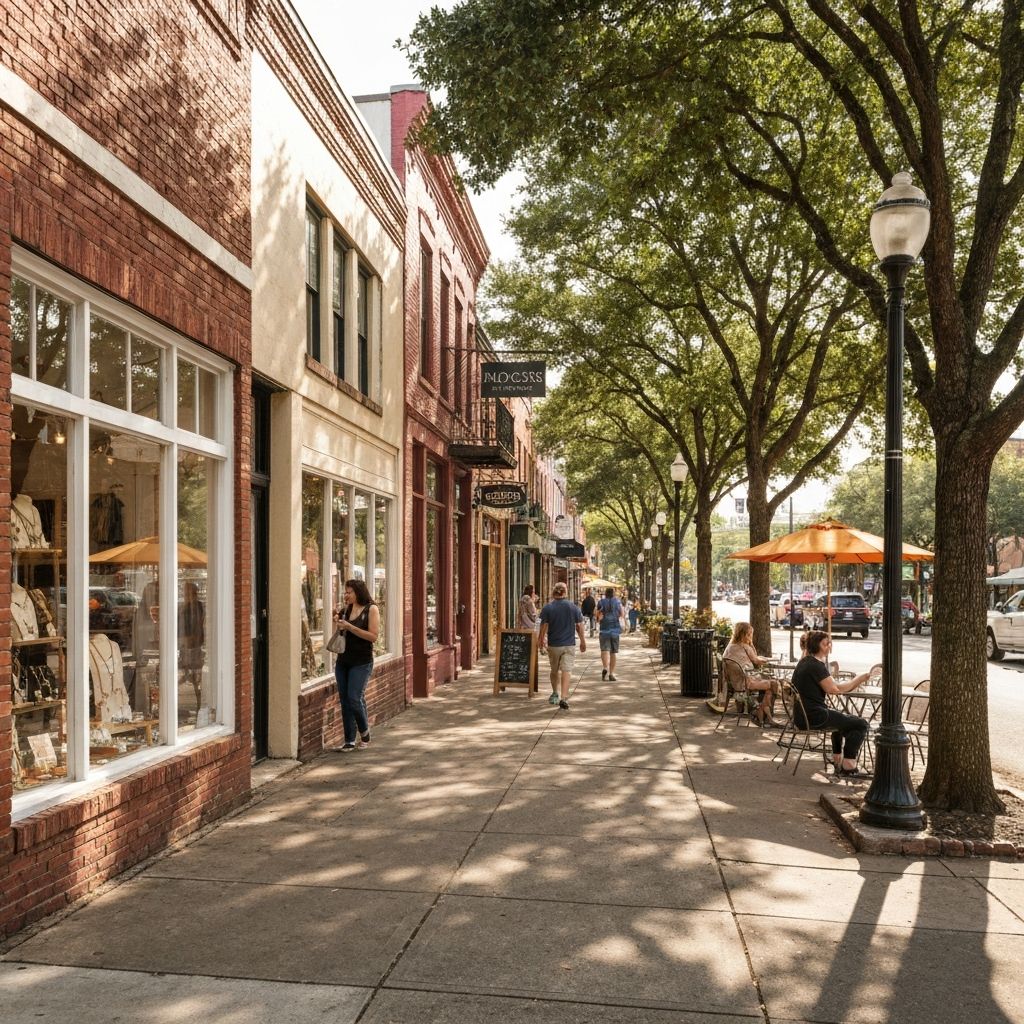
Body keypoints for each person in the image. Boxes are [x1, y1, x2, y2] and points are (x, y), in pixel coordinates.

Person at [791, 630, 873, 777]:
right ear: (816, 645)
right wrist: (859, 679)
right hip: (814, 717)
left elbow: (832, 686)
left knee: (845, 723)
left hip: (802, 716)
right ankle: (848, 765)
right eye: (825, 644)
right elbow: (834, 689)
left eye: (829, 643)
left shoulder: (804, 662)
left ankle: (838, 760)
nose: (829, 647)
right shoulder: (815, 665)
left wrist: (854, 682)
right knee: (861, 724)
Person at [332, 578, 380, 751]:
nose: (346, 595)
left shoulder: (371, 609)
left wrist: (350, 627)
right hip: (343, 661)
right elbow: (341, 635)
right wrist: (338, 624)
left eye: (349, 592)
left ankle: (364, 732)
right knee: (346, 700)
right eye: (345, 592)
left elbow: (373, 637)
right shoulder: (346, 610)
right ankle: (349, 739)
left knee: (354, 698)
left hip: (361, 662)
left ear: (358, 592)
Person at [538, 581, 586, 710]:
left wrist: (540, 641)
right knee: (567, 670)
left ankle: (555, 693)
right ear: (565, 593)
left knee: (554, 670)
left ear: (553, 593)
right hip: (569, 644)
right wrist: (582, 641)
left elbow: (543, 626)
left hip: (554, 645)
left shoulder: (548, 608)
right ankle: (564, 698)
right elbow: (579, 626)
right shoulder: (573, 607)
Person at [722, 621, 780, 726]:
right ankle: (763, 713)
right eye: (749, 634)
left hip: (735, 682)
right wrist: (765, 659)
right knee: (774, 684)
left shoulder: (730, 647)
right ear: (744, 634)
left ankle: (761, 713)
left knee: (768, 683)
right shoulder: (745, 646)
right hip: (747, 682)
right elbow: (756, 661)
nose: (750, 636)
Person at [596, 586, 624, 681]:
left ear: (605, 593)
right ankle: (611, 674)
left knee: (604, 650)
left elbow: (597, 614)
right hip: (615, 629)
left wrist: (600, 619)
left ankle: (605, 667)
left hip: (604, 629)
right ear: (614, 593)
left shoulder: (601, 602)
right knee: (613, 652)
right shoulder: (618, 601)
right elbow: (622, 614)